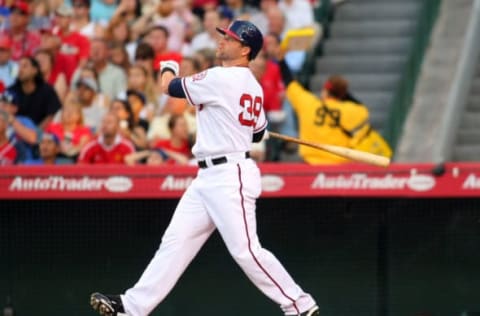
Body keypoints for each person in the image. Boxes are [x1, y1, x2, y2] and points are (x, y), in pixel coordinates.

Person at [90, 20, 319, 316]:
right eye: (224, 35)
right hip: (208, 177)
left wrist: (168, 64)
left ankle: (300, 305)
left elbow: (169, 87)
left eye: (231, 38)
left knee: (246, 250)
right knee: (175, 242)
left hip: (229, 174)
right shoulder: (253, 86)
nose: (222, 40)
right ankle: (133, 307)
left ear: (245, 49)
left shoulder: (220, 78)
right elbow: (259, 132)